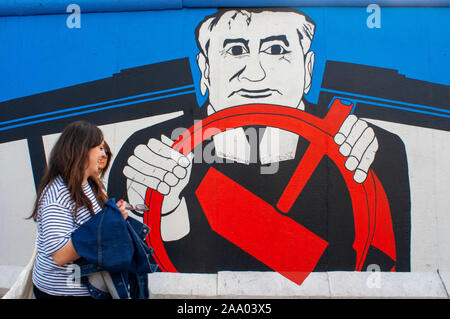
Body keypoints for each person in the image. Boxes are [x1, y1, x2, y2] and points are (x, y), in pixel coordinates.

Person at [108, 8, 410, 275]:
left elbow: (383, 275)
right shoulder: (151, 151)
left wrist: (370, 175)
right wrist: (162, 210)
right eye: (236, 50)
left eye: (277, 49)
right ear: (206, 69)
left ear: (307, 68)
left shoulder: (370, 149)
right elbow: (136, 273)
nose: (255, 74)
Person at [28, 121, 128, 299]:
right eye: (99, 148)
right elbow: (60, 254)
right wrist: (107, 225)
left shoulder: (90, 183)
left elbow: (97, 224)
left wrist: (115, 216)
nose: (104, 153)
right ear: (80, 151)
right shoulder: (57, 197)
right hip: (63, 292)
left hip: (91, 285)